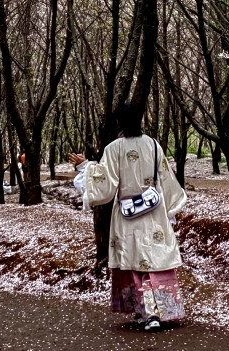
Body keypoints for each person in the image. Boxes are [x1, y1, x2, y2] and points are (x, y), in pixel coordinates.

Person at [70, 104, 187, 332]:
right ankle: (159, 311)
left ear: (119, 123)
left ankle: (146, 312)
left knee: (134, 262)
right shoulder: (153, 144)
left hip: (127, 213)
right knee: (155, 261)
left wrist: (85, 167)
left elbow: (104, 182)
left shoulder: (114, 148)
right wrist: (171, 210)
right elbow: (166, 178)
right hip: (154, 212)